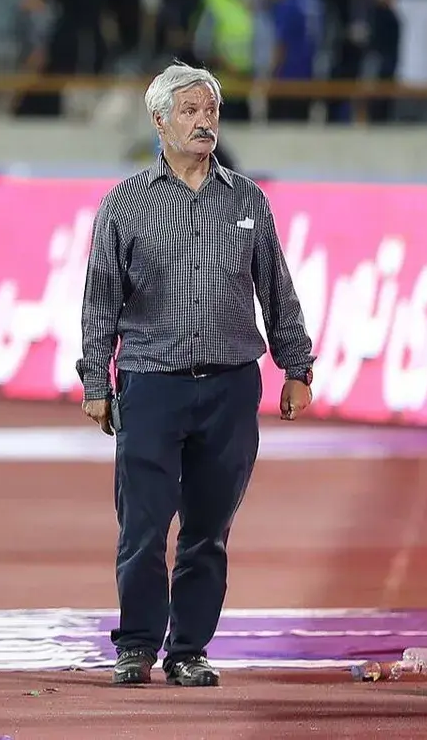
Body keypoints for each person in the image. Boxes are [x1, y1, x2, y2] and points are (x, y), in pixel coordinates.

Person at [78, 62, 315, 687]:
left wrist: (296, 366)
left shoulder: (247, 200)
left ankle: (188, 649)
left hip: (230, 386)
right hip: (150, 384)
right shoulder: (125, 203)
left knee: (208, 530)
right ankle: (136, 645)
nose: (204, 121)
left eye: (210, 110)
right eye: (189, 110)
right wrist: (96, 380)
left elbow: (276, 288)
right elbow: (99, 298)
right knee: (144, 526)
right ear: (159, 122)